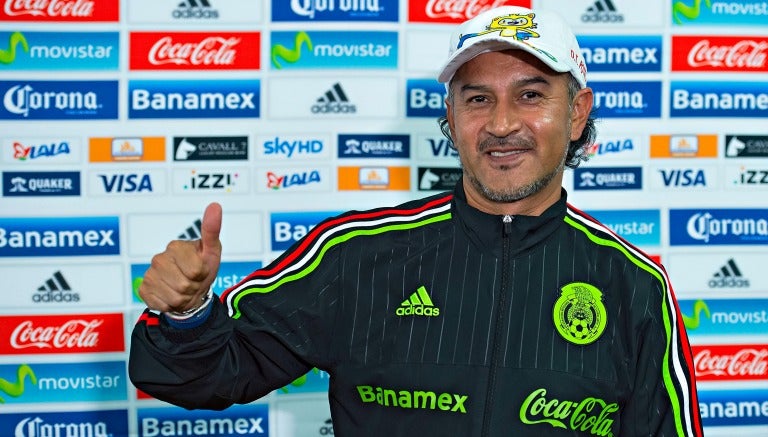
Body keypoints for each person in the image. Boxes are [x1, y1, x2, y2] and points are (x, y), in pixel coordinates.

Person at [129, 5, 703, 436]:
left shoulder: (635, 286)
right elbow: (203, 374)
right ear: (450, 118)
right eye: (477, 99)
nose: (502, 124)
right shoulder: (354, 253)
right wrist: (184, 313)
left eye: (531, 95)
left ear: (577, 113)